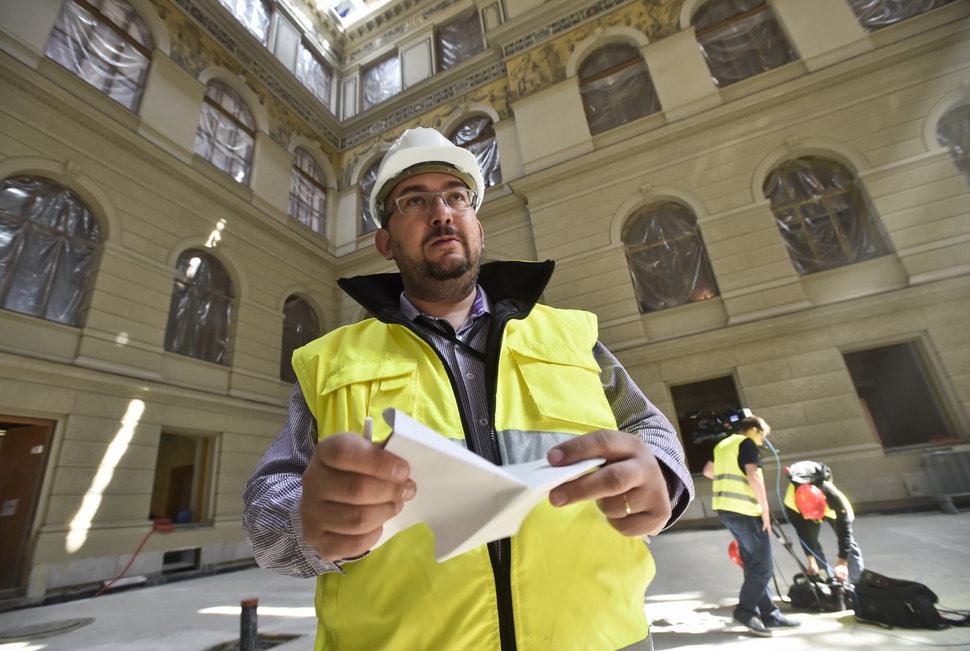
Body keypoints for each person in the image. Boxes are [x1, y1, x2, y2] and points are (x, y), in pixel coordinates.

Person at [242, 127, 695, 651]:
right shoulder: (329, 362)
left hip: (600, 639)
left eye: (456, 197)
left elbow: (647, 427)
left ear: (477, 227)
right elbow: (265, 513)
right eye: (414, 200)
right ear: (385, 242)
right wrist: (306, 522)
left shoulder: (569, 336)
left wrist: (659, 473)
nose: (441, 212)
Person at [702, 416, 799, 637]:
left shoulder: (723, 444)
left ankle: (770, 614)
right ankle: (745, 612)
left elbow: (708, 471)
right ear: (754, 430)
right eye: (763, 435)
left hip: (726, 509)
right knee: (763, 567)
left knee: (754, 564)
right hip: (745, 511)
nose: (764, 440)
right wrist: (765, 509)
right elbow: (753, 475)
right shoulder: (746, 443)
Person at [783, 460, 864, 585]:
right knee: (813, 546)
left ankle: (858, 583)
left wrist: (842, 561)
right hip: (803, 511)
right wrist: (811, 561)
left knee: (850, 546)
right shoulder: (792, 505)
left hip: (830, 508)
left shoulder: (833, 497)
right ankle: (826, 580)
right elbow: (804, 535)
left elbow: (845, 532)